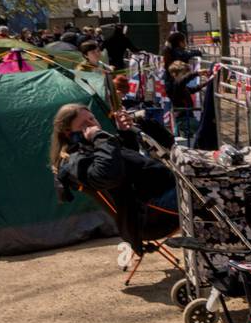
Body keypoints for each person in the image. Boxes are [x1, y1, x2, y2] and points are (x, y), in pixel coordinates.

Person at [50, 103, 176, 254]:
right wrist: (100, 137)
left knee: (202, 177)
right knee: (205, 189)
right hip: (153, 216)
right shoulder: (76, 160)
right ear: (68, 132)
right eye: (85, 123)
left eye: (92, 118)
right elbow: (107, 176)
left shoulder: (92, 146)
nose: (93, 124)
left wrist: (125, 133)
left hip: (158, 200)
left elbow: (128, 166)